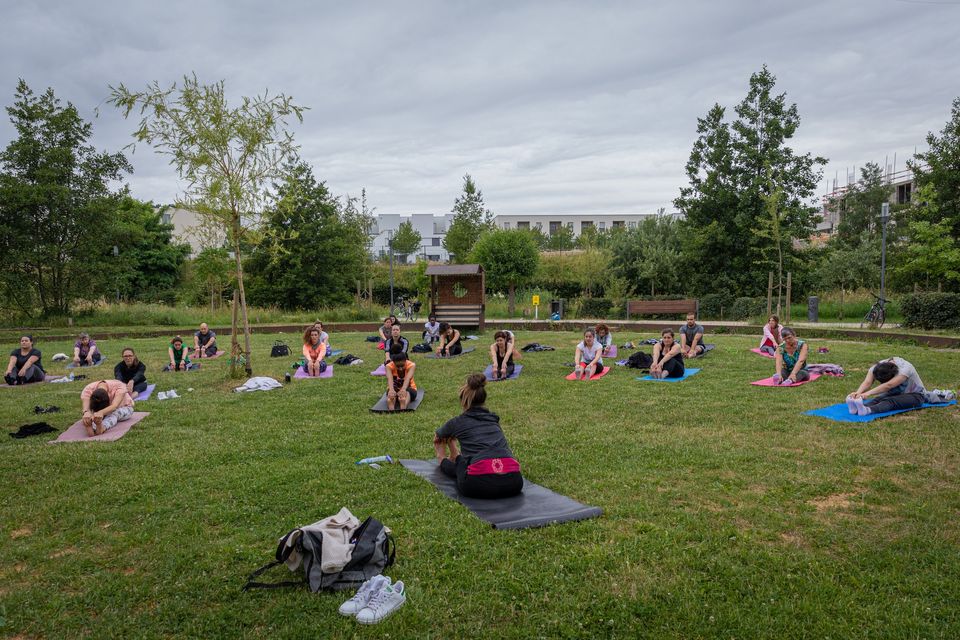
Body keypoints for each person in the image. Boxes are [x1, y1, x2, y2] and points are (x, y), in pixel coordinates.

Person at [433, 373, 523, 499]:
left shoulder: (457, 422)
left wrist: (443, 444)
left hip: (479, 485)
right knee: (469, 461)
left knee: (461, 466)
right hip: (514, 482)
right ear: (483, 400)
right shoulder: (493, 419)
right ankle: (455, 454)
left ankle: (442, 458)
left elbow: (438, 436)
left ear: (464, 401)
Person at [846, 357, 927, 416]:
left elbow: (889, 385)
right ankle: (858, 408)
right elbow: (867, 382)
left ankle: (867, 410)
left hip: (916, 396)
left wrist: (867, 394)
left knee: (890, 401)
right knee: (878, 399)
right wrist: (858, 393)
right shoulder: (876, 367)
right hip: (896, 392)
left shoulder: (905, 369)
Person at [385, 344, 417, 411]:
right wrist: (391, 390)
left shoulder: (411, 365)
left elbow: (408, 378)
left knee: (407, 393)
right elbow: (389, 378)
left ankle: (404, 403)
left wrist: (403, 389)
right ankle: (391, 403)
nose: (400, 369)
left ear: (406, 361)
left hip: (409, 389)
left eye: (402, 366)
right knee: (391, 395)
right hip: (395, 388)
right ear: (393, 363)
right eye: (398, 366)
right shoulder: (389, 366)